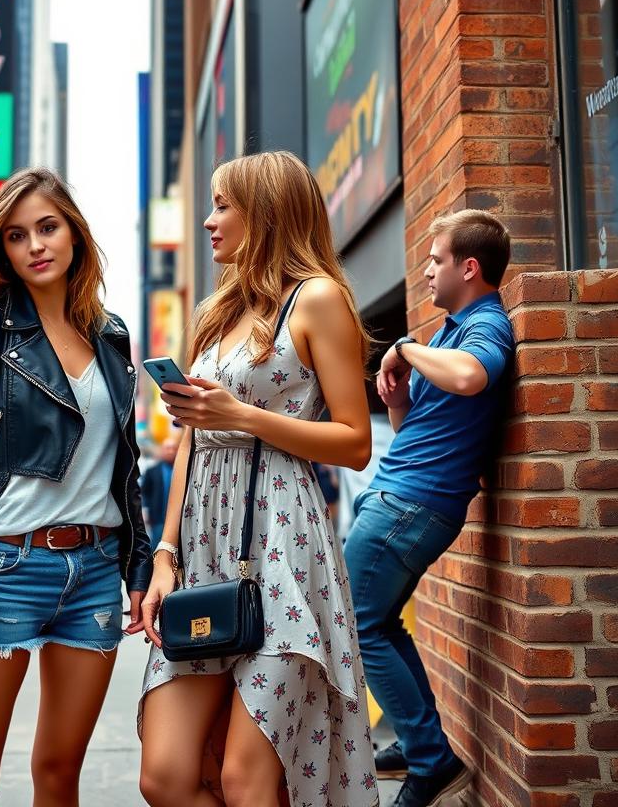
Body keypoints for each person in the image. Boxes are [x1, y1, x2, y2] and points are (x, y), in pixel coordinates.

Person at [139, 151, 378, 807]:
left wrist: (242, 415)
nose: (211, 221)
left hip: (282, 541)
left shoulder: (318, 299)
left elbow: (355, 442)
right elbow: (194, 437)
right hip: (203, 546)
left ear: (266, 214)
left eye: (224, 205)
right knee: (166, 775)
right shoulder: (220, 311)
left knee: (249, 778)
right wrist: (165, 556)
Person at [0, 167, 152, 807]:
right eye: (18, 236)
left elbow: (123, 464)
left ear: (74, 233)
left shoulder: (111, 336)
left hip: (96, 572)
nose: (36, 246)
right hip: (5, 569)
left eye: (48, 227)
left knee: (59, 773)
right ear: (3, 249)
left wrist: (135, 567)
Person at [345, 210, 515, 807]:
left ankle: (429, 758)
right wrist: (395, 401)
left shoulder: (485, 326)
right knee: (379, 621)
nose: (426, 270)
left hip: (412, 505)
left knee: (358, 621)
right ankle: (423, 746)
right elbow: (424, 424)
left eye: (436, 260)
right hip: (400, 495)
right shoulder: (448, 329)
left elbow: (471, 378)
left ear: (469, 268)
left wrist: (405, 350)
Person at [140, 436, 178, 548]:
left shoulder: (183, 471)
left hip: (177, 520)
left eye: (173, 448)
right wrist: (146, 511)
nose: (171, 451)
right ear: (163, 450)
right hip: (158, 519)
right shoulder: (152, 471)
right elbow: (145, 493)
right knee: (156, 547)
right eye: (168, 448)